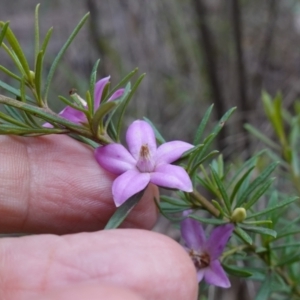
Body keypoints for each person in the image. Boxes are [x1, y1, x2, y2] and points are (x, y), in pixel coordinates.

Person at [0, 134, 198, 300]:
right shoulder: (127, 178)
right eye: (142, 152)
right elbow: (110, 168)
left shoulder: (170, 168)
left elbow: (179, 172)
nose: (143, 155)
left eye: (145, 152)